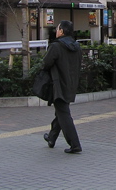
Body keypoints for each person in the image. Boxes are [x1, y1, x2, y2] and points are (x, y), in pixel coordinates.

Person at [43, 20, 83, 154]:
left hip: (58, 84)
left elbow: (46, 63)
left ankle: (75, 144)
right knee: (60, 112)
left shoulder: (56, 46)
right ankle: (52, 137)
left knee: (64, 114)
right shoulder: (77, 46)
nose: (56, 31)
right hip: (71, 83)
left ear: (61, 31)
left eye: (57, 29)